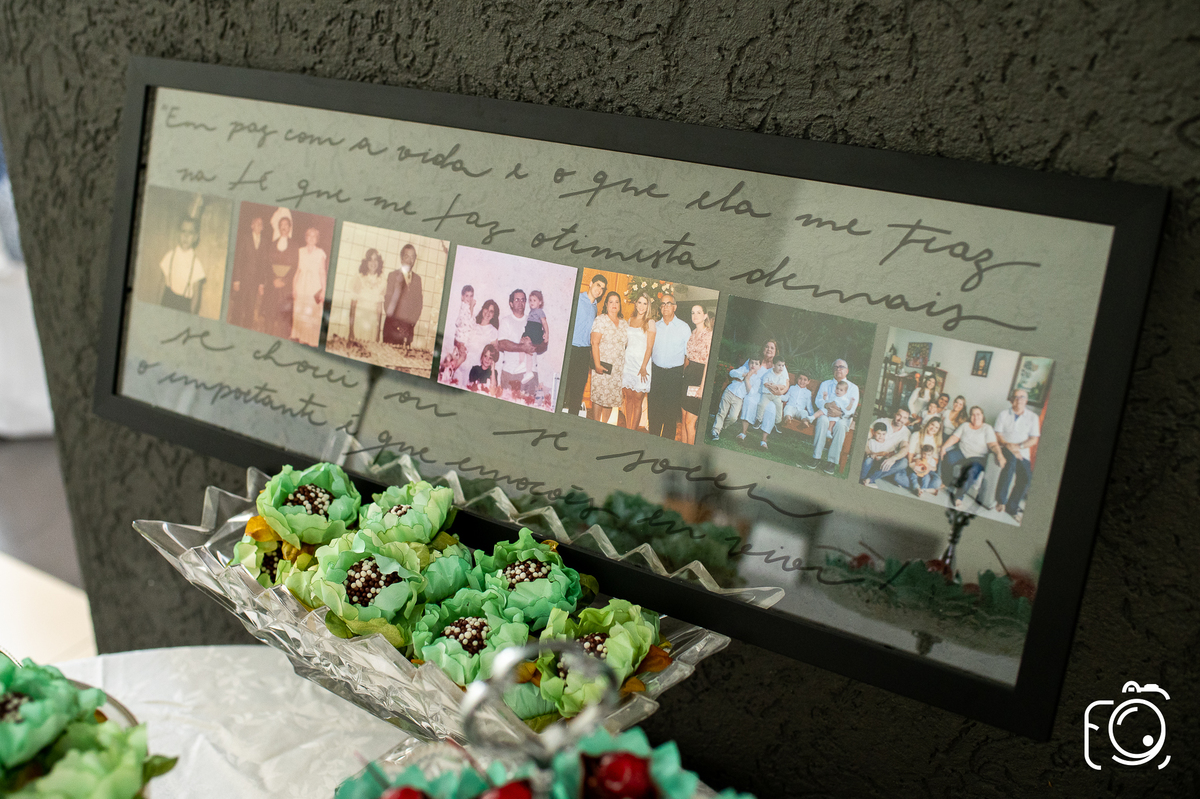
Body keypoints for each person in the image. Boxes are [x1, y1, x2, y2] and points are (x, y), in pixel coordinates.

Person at [940, 405, 1007, 509]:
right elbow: (954, 437)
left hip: (977, 457)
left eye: (978, 414)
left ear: (982, 415)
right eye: (973, 414)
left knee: (971, 471)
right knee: (947, 457)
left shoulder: (987, 428)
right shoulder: (965, 425)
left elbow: (993, 445)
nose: (975, 417)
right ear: (970, 416)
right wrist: (944, 447)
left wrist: (999, 454)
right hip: (962, 452)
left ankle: (959, 496)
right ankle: (947, 482)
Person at [993, 389, 1041, 521]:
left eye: (1022, 397)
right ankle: (1001, 501)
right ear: (1011, 400)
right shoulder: (1003, 414)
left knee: (1026, 478)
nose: (1019, 399)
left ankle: (1011, 507)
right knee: (1010, 464)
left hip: (1022, 452)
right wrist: (1008, 446)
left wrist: (1018, 447)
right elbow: (998, 434)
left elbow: (1034, 439)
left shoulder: (1033, 417)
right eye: (1016, 397)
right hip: (1005, 448)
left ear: (1026, 400)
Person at [646, 295, 690, 439]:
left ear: (675, 307)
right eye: (663, 304)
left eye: (668, 303)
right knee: (654, 411)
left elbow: (688, 356)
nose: (665, 306)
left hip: (674, 375)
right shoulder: (655, 326)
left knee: (670, 413)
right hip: (656, 373)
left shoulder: (684, 328)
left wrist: (682, 375)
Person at [807, 359, 860, 474]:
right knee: (822, 420)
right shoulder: (826, 384)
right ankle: (816, 457)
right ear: (833, 370)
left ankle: (831, 461)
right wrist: (828, 406)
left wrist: (840, 413)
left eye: (841, 367)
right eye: (836, 367)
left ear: (847, 371)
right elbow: (818, 400)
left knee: (841, 426)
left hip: (842, 417)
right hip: (826, 413)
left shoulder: (853, 388)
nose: (838, 369)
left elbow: (852, 408)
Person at [564, 274, 606, 415]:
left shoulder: (595, 308)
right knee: (564, 388)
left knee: (578, 390)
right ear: (591, 283)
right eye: (598, 285)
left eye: (602, 288)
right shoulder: (576, 299)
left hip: (584, 353)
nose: (599, 290)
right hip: (570, 350)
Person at [588, 291, 628, 422]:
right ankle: (595, 423)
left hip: (617, 369)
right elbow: (594, 343)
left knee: (610, 399)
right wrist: (597, 365)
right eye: (611, 302)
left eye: (617, 302)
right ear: (606, 304)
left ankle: (603, 424)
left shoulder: (624, 324)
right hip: (602, 365)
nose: (614, 305)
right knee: (599, 397)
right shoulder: (601, 320)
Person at [620, 292, 656, 432]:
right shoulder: (630, 320)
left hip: (641, 366)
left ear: (648, 306)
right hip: (628, 364)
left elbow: (649, 347)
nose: (642, 306)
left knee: (637, 400)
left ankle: (632, 431)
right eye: (639, 302)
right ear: (636, 304)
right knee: (628, 398)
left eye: (645, 303)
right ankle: (628, 428)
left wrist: (643, 366)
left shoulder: (650, 322)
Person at [680, 303, 713, 445]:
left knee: (690, 422)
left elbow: (708, 363)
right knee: (683, 419)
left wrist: (702, 386)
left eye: (698, 312)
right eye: (693, 312)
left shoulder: (710, 334)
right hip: (688, 376)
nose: (695, 315)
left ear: (705, 316)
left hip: (699, 378)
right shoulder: (692, 333)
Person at [158, 216, 205, 314]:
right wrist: (157, 307)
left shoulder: (196, 265)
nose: (186, 236)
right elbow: (162, 284)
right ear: (178, 233)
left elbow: (196, 295)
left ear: (195, 237)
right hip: (167, 300)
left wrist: (191, 316)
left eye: (190, 232)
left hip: (184, 306)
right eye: (183, 231)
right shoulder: (170, 255)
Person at [228, 215, 268, 329]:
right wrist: (236, 280)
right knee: (238, 307)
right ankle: (233, 327)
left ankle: (246, 329)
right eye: (256, 223)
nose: (259, 225)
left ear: (263, 227)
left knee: (250, 309)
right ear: (252, 226)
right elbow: (238, 259)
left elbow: (264, 264)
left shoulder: (264, 242)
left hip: (255, 282)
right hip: (242, 280)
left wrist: (261, 283)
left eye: (261, 224)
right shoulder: (245, 238)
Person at [290, 227, 327, 346]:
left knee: (312, 314)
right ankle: (301, 339)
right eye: (309, 235)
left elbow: (322, 272)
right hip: (301, 286)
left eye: (314, 236)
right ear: (306, 238)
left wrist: (323, 290)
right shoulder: (300, 251)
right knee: (300, 314)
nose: (311, 238)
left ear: (317, 239)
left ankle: (311, 342)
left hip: (314, 288)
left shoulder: (320, 253)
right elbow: (298, 270)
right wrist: (294, 288)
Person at [264, 211, 297, 338]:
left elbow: (295, 267)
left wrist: (285, 281)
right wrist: (273, 280)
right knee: (270, 315)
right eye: (282, 225)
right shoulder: (272, 244)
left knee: (284, 317)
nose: (284, 227)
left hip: (286, 287)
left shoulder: (294, 245)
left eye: (286, 225)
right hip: (273, 285)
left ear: (289, 228)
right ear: (279, 227)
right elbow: (267, 265)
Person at [497, 289, 537, 394]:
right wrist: (523, 347)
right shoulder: (506, 321)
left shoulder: (532, 321)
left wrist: (536, 345)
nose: (520, 302)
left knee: (530, 402)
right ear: (511, 304)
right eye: (517, 300)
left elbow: (542, 344)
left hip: (530, 373)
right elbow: (502, 343)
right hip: (510, 372)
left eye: (523, 300)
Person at [711, 358, 762, 438]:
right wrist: (743, 374)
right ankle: (715, 431)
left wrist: (747, 379)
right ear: (748, 363)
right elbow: (732, 373)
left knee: (733, 417)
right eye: (752, 363)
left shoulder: (757, 379)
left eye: (756, 364)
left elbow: (751, 392)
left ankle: (722, 426)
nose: (753, 365)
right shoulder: (743, 369)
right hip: (729, 391)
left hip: (739, 398)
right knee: (722, 412)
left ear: (759, 366)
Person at [383, 243, 422, 347]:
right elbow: (387, 303)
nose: (410, 260)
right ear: (401, 258)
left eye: (412, 257)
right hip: (392, 329)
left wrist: (409, 325)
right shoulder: (392, 276)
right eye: (407, 256)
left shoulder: (417, 280)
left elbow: (418, 305)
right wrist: (399, 326)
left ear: (415, 259)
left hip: (408, 331)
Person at [454, 298, 500, 385]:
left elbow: (495, 355)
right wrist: (460, 346)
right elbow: (458, 339)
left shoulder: (493, 331)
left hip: (476, 370)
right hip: (462, 364)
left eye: (491, 311)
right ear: (483, 309)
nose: (488, 312)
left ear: (494, 315)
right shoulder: (473, 324)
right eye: (486, 308)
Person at [860, 408, 911, 486]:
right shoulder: (882, 421)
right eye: (899, 415)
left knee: (904, 462)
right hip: (871, 455)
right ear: (894, 414)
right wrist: (869, 452)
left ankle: (870, 478)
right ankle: (868, 478)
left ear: (907, 420)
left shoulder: (906, 432)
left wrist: (894, 458)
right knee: (868, 460)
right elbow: (865, 436)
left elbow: (905, 448)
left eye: (904, 418)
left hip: (885, 460)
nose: (901, 419)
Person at [747, 357, 790, 449]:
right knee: (761, 404)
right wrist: (773, 386)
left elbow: (783, 386)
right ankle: (759, 420)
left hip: (776, 396)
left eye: (783, 365)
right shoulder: (769, 373)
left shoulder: (782, 375)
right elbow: (765, 383)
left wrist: (775, 386)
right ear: (774, 365)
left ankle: (778, 422)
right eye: (779, 365)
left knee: (779, 406)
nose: (781, 367)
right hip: (766, 394)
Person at [897, 417, 944, 497]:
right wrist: (913, 465)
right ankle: (923, 488)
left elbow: (935, 459)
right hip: (914, 463)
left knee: (937, 482)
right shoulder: (916, 434)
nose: (933, 428)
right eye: (932, 424)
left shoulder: (936, 440)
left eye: (936, 427)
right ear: (928, 424)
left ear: (939, 430)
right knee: (898, 477)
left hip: (926, 467)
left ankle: (917, 487)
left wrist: (928, 467)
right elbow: (910, 453)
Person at [347, 248, 386, 343]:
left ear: (379, 262)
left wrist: (378, 333)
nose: (373, 263)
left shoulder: (382, 281)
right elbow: (353, 306)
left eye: (375, 259)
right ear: (366, 262)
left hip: (372, 325)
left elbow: (379, 310)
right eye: (370, 260)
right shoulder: (359, 278)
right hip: (358, 321)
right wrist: (351, 330)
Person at [518, 289, 550, 381]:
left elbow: (544, 323)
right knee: (522, 344)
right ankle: (523, 365)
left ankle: (527, 369)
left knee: (528, 347)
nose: (532, 302)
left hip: (535, 332)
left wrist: (547, 334)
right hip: (529, 331)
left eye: (534, 300)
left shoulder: (539, 311)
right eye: (530, 300)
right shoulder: (531, 312)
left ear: (540, 302)